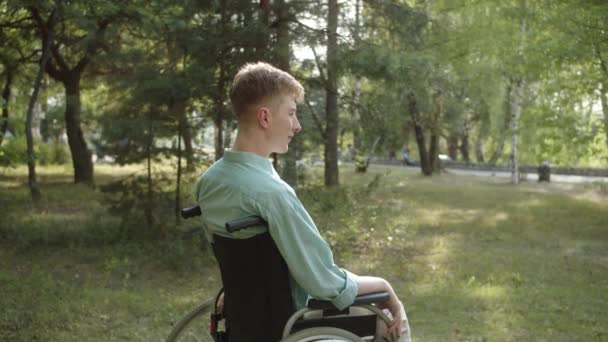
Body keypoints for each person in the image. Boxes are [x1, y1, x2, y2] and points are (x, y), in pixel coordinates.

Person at [194, 62, 407, 339]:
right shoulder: (272, 194)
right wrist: (386, 288)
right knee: (388, 315)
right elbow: (322, 281)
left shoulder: (209, 183)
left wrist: (236, 297)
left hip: (244, 323)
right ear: (265, 118)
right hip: (291, 326)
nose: (297, 125)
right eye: (292, 113)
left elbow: (243, 267)